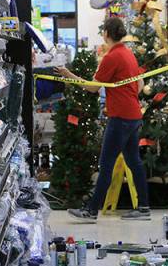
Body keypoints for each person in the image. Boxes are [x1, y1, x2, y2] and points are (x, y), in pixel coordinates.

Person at [58, 17, 151, 222]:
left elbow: (92, 88)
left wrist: (68, 75)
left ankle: (91, 211)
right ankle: (143, 207)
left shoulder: (112, 57)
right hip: (134, 115)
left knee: (106, 164)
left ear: (107, 34)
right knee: (134, 161)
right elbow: (137, 85)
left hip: (120, 117)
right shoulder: (128, 54)